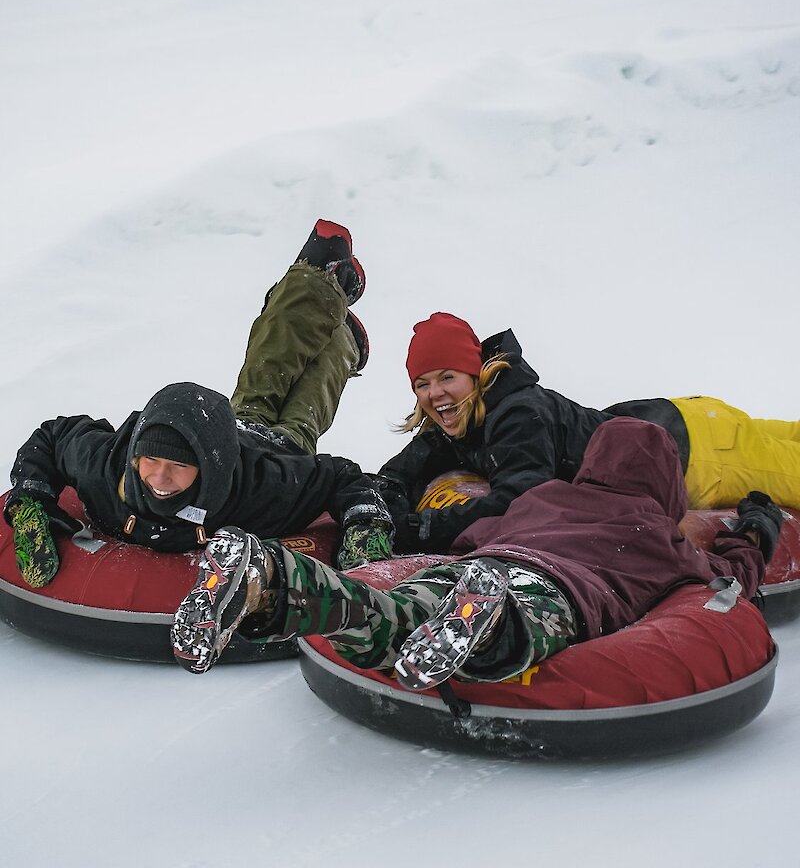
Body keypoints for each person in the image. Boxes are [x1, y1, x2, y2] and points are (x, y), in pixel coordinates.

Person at [169, 418, 782, 683]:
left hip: (485, 566)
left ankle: (272, 579)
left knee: (389, 614)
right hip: (555, 590)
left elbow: (471, 537)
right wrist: (754, 527)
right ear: (666, 483)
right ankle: (490, 625)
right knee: (519, 624)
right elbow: (729, 578)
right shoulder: (659, 537)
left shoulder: (545, 497)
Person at [4, 220, 395, 589]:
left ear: (207, 467)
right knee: (302, 394)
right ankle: (342, 336)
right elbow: (53, 436)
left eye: (177, 466)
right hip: (233, 427)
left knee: (273, 372)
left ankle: (321, 274)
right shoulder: (104, 471)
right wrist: (30, 502)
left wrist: (364, 524)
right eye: (151, 461)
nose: (158, 478)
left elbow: (340, 476)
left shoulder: (263, 490)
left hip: (276, 451)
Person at [373, 311, 800, 555]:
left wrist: (423, 529)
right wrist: (383, 500)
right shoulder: (464, 419)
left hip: (702, 456)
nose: (435, 394)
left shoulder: (517, 413)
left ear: (475, 374)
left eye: (446, 377)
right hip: (676, 418)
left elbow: (521, 501)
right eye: (422, 384)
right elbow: (407, 465)